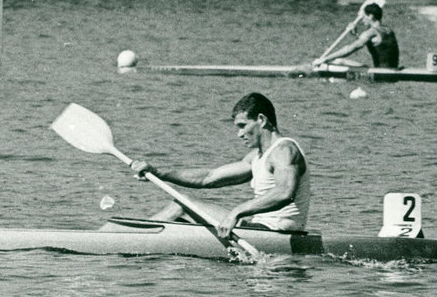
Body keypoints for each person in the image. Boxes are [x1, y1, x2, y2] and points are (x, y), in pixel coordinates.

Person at [130, 93, 309, 239]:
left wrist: (236, 212)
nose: (239, 134)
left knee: (181, 205)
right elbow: (209, 178)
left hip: (278, 233)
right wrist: (159, 173)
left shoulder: (284, 150)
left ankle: (130, 238)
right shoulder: (257, 156)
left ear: (261, 119)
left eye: (242, 126)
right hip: (260, 229)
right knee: (185, 219)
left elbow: (285, 192)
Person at [313, 3, 399, 68]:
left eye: (364, 17)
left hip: (380, 73)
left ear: (371, 16)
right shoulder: (389, 30)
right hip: (392, 69)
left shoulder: (370, 32)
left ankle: (318, 66)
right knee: (339, 61)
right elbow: (375, 42)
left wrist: (325, 59)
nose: (362, 20)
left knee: (338, 62)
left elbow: (349, 49)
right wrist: (355, 34)